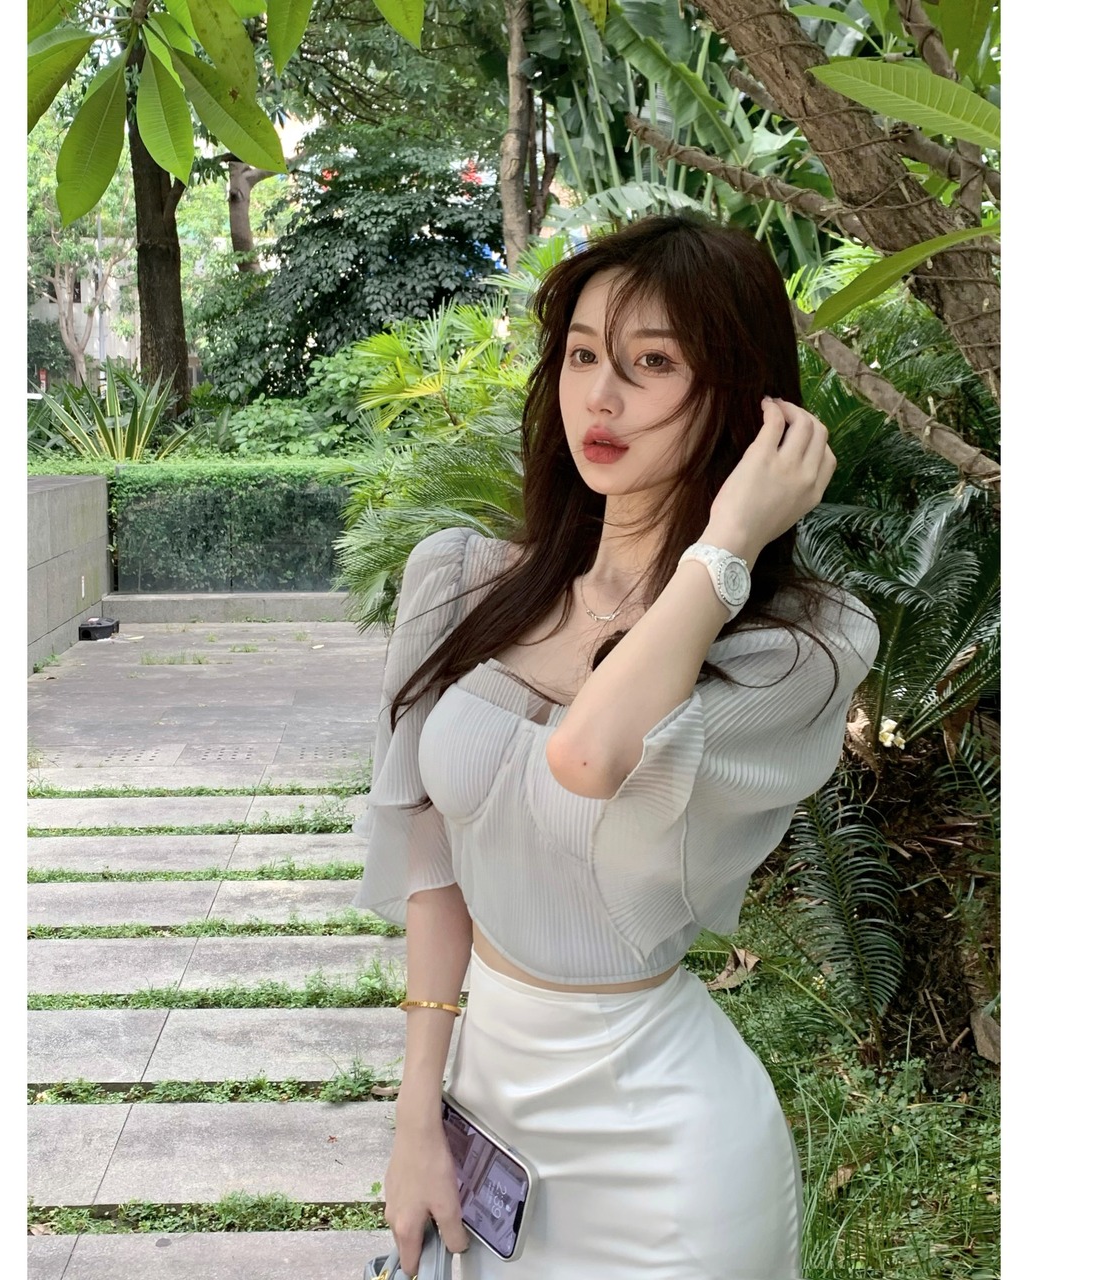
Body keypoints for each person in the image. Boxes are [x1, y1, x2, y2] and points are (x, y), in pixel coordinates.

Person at [352, 212, 879, 1279]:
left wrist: (725, 542)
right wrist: (416, 1114)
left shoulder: (796, 646)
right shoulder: (459, 580)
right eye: (584, 354)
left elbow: (584, 756)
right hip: (489, 1105)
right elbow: (432, 859)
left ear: (743, 403)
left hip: (665, 1155)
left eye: (652, 364)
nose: (600, 395)